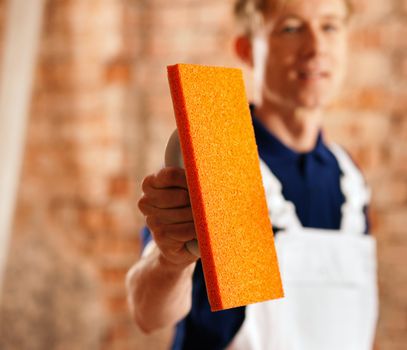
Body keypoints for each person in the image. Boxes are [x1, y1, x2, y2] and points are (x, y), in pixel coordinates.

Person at [126, 0, 378, 349]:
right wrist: (171, 260)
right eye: (291, 28)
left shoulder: (348, 176)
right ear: (246, 48)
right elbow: (148, 314)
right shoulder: (222, 156)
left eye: (330, 27)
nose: (316, 47)